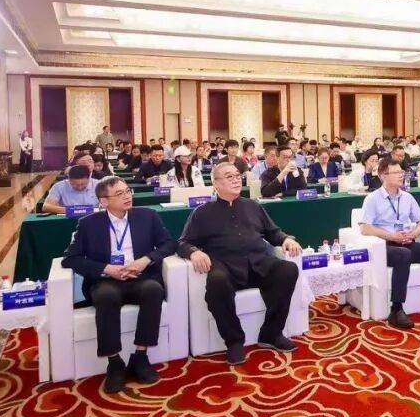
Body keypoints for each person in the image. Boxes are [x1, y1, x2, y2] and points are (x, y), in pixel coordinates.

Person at [177, 162, 303, 364]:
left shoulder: (253, 206)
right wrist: (194, 252)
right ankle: (234, 341)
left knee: (287, 269)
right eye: (229, 177)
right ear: (216, 183)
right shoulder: (202, 213)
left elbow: (273, 232)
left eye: (237, 175)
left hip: (257, 262)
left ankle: (271, 333)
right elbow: (183, 243)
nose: (236, 180)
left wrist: (285, 239)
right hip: (225, 266)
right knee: (217, 282)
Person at [62, 176, 176, 393]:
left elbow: (169, 243)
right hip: (106, 280)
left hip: (140, 276)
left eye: (128, 191)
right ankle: (114, 363)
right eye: (119, 194)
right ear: (104, 201)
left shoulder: (147, 216)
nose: (127, 196)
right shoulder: (88, 224)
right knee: (106, 296)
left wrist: (146, 260)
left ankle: (140, 356)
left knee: (154, 290)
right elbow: (70, 259)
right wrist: (106, 268)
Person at [360, 157, 420, 329]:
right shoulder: (373, 199)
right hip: (385, 246)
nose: (401, 175)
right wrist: (392, 236)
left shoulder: (407, 197)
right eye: (396, 172)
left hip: (406, 242)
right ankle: (396, 309)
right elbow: (365, 228)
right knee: (403, 254)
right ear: (383, 175)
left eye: (402, 172)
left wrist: (414, 233)